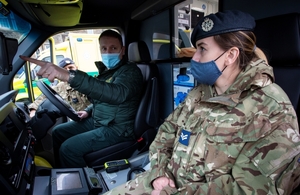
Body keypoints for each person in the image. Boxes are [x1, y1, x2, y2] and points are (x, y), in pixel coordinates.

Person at [102, 10, 300, 195]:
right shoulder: (200, 93)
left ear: (230, 55)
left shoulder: (271, 108)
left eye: (202, 49)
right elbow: (166, 133)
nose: (194, 58)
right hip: (162, 182)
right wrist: (160, 173)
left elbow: (249, 188)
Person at [20, 29, 144, 168]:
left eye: (113, 48)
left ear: (123, 50)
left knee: (68, 149)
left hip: (118, 128)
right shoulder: (109, 71)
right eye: (104, 48)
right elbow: (102, 97)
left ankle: (80, 185)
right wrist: (89, 110)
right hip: (100, 119)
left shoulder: (131, 71)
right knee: (58, 132)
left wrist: (69, 76)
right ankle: (62, 172)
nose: (108, 52)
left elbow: (116, 94)